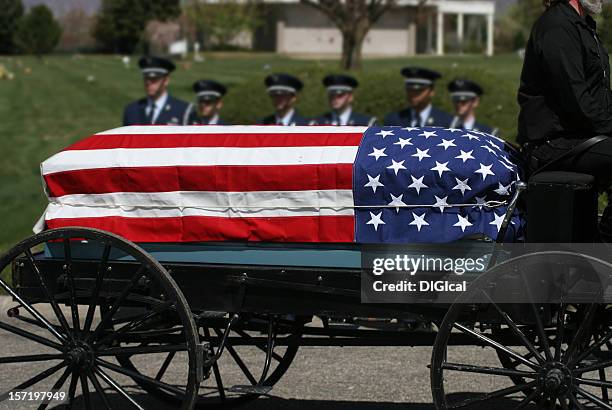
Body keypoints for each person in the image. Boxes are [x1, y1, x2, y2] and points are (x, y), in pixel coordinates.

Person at [518, 0, 612, 235]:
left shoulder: (582, 25)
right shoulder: (557, 27)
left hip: (578, 138)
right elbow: (577, 101)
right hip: (553, 145)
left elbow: (598, 96)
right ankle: (605, 245)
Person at [123, 56, 196, 126]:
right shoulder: (131, 110)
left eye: (154, 79)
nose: (148, 82)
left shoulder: (183, 111)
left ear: (166, 80)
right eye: (146, 78)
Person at [384, 67, 453, 128]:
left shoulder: (446, 122)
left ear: (432, 92)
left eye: (419, 90)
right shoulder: (393, 121)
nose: (413, 94)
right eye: (410, 89)